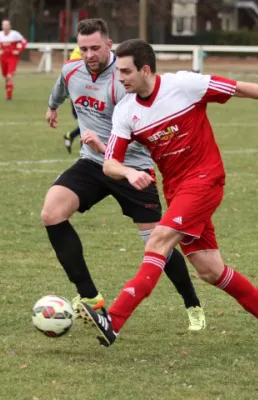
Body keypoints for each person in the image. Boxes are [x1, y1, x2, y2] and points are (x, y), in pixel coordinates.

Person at [77, 39, 258, 349]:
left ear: (145, 69)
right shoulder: (126, 111)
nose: (120, 77)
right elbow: (111, 164)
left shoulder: (184, 85)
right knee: (210, 270)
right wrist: (128, 172)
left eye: (126, 71)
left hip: (205, 179)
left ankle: (113, 320)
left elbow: (240, 88)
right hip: (177, 189)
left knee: (158, 240)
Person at [43, 19, 206, 331]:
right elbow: (62, 89)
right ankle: (90, 298)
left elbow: (135, 133)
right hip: (92, 164)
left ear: (109, 45)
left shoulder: (124, 82)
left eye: (96, 48)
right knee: (51, 213)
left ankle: (191, 302)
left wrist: (100, 144)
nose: (89, 54)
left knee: (156, 242)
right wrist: (52, 107)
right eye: (84, 48)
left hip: (131, 168)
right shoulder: (71, 70)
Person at [0, 20, 27, 101]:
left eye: (7, 25)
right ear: (2, 26)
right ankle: (8, 88)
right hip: (3, 57)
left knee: (9, 76)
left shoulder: (15, 34)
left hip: (12, 57)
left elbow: (24, 42)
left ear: (10, 26)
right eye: (4, 25)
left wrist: (18, 50)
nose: (5, 27)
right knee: (5, 76)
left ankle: (9, 97)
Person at [63, 46, 82, 153]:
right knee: (86, 125)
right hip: (80, 95)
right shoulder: (79, 53)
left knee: (86, 125)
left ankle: (70, 136)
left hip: (80, 94)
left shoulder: (81, 50)